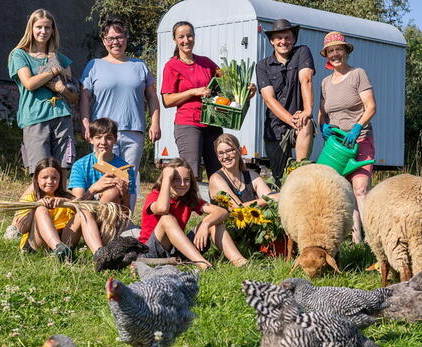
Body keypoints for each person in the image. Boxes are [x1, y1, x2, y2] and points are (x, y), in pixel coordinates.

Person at [80, 18, 160, 211]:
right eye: (110, 38)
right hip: (103, 135)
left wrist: (155, 123)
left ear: (126, 38)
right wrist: (85, 125)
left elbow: (151, 96)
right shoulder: (94, 65)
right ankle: (104, 217)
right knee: (105, 176)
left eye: (120, 37)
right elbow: (84, 98)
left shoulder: (139, 65)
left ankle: (125, 222)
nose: (115, 42)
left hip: (133, 132)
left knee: (129, 178)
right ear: (103, 40)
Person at [317, 31, 377, 244]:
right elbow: (322, 111)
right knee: (344, 192)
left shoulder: (358, 74)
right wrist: (322, 125)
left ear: (346, 51)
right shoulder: (325, 82)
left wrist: (356, 127)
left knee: (360, 188)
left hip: (359, 140)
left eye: (339, 49)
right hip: (336, 147)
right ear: (327, 55)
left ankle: (373, 240)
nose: (335, 54)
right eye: (331, 51)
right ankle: (356, 241)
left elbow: (370, 107)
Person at [138, 158, 248, 270]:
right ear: (167, 180)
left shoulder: (187, 199)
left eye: (186, 180)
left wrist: (205, 224)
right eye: (175, 179)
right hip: (149, 252)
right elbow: (162, 209)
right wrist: (166, 177)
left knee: (215, 223)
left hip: (175, 251)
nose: (182, 184)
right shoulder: (154, 196)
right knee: (167, 219)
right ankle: (203, 265)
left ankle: (240, 262)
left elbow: (222, 212)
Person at [8, 9, 78, 178]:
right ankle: (38, 205)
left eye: (47, 27)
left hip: (62, 118)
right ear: (31, 28)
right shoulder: (19, 55)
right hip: (35, 118)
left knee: (62, 172)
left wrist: (60, 89)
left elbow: (74, 96)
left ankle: (61, 205)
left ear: (53, 30)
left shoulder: (62, 59)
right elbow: (30, 83)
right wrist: (53, 71)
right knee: (41, 173)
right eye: (39, 27)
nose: (43, 31)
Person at [160, 21, 222, 181]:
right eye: (181, 37)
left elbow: (229, 82)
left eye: (189, 36)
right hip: (188, 124)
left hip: (212, 122)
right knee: (191, 175)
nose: (186, 40)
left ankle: (219, 205)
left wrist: (246, 89)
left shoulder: (206, 62)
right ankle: (191, 206)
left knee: (220, 174)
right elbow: (167, 100)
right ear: (175, 39)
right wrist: (193, 91)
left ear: (194, 37)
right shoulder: (172, 66)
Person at [256, 18, 316, 184]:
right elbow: (269, 99)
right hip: (275, 127)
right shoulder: (262, 66)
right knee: (279, 178)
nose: (283, 41)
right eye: (279, 38)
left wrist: (307, 111)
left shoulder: (302, 52)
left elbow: (306, 80)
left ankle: (299, 170)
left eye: (287, 37)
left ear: (294, 39)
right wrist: (290, 120)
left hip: (299, 118)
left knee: (306, 123)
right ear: (272, 41)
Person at [13, 157, 103, 262]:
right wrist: (35, 207)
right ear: (36, 179)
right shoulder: (30, 198)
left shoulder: (67, 198)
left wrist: (67, 203)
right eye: (44, 177)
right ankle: (58, 248)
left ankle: (99, 253)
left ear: (60, 179)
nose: (50, 181)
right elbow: (22, 229)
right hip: (38, 243)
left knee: (84, 210)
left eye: (54, 177)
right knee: (41, 209)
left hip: (65, 240)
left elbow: (91, 215)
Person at [69, 118, 135, 211]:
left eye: (108, 138)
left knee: (112, 191)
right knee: (111, 191)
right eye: (98, 137)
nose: (103, 142)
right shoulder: (80, 165)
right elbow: (75, 205)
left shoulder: (126, 169)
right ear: (91, 139)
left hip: (115, 217)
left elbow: (127, 211)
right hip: (86, 214)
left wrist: (125, 195)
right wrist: (94, 189)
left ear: (115, 140)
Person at [208, 134, 278, 208]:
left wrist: (275, 197)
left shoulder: (251, 176)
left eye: (229, 151)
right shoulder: (216, 179)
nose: (225, 156)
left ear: (240, 151)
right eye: (221, 153)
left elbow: (270, 197)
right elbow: (237, 208)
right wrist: (271, 198)